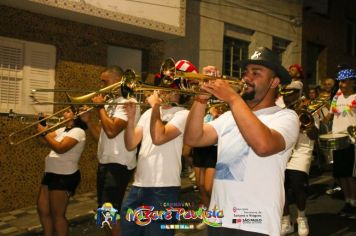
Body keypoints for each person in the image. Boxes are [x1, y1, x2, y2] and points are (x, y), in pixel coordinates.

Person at [184, 47, 300, 235]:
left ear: (274, 81)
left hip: (255, 222)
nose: (246, 77)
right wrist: (201, 98)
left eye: (256, 73)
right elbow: (193, 138)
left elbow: (263, 146)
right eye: (246, 72)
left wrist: (232, 97)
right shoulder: (230, 116)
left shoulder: (286, 117)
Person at [120, 60, 193, 236]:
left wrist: (155, 107)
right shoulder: (148, 114)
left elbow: (159, 137)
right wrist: (130, 119)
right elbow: (130, 144)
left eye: (170, 87)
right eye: (161, 86)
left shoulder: (183, 114)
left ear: (180, 92)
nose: (162, 90)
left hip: (165, 188)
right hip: (139, 185)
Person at [80, 66, 140, 236]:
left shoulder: (129, 102)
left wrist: (99, 108)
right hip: (105, 162)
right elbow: (102, 135)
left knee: (110, 213)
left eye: (104, 81)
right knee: (105, 213)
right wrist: (89, 122)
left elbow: (113, 130)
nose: (101, 85)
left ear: (117, 80)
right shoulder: (111, 103)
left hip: (119, 163)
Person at [37, 107, 87, 236]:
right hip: (50, 173)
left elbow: (60, 148)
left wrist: (44, 132)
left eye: (68, 111)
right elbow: (42, 141)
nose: (64, 113)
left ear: (76, 116)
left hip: (65, 175)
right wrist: (42, 124)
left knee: (57, 214)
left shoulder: (78, 131)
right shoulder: (61, 129)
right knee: (43, 210)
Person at [280, 88, 320, 236]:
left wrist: (304, 120)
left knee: (298, 185)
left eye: (291, 97)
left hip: (302, 151)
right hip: (283, 151)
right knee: (281, 187)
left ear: (298, 96)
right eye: (286, 97)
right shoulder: (281, 112)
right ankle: (285, 221)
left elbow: (315, 135)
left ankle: (302, 217)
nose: (288, 100)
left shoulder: (309, 111)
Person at [325, 67, 356, 218]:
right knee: (341, 174)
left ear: (352, 82)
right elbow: (330, 117)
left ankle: (354, 203)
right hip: (337, 139)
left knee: (350, 175)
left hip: (351, 140)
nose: (341, 85)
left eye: (344, 82)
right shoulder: (336, 97)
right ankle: (348, 201)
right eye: (340, 82)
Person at [192, 105, 223, 230]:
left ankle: (219, 214)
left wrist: (215, 115)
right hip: (200, 149)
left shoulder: (222, 111)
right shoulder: (200, 109)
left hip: (212, 150)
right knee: (200, 185)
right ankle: (210, 216)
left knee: (209, 187)